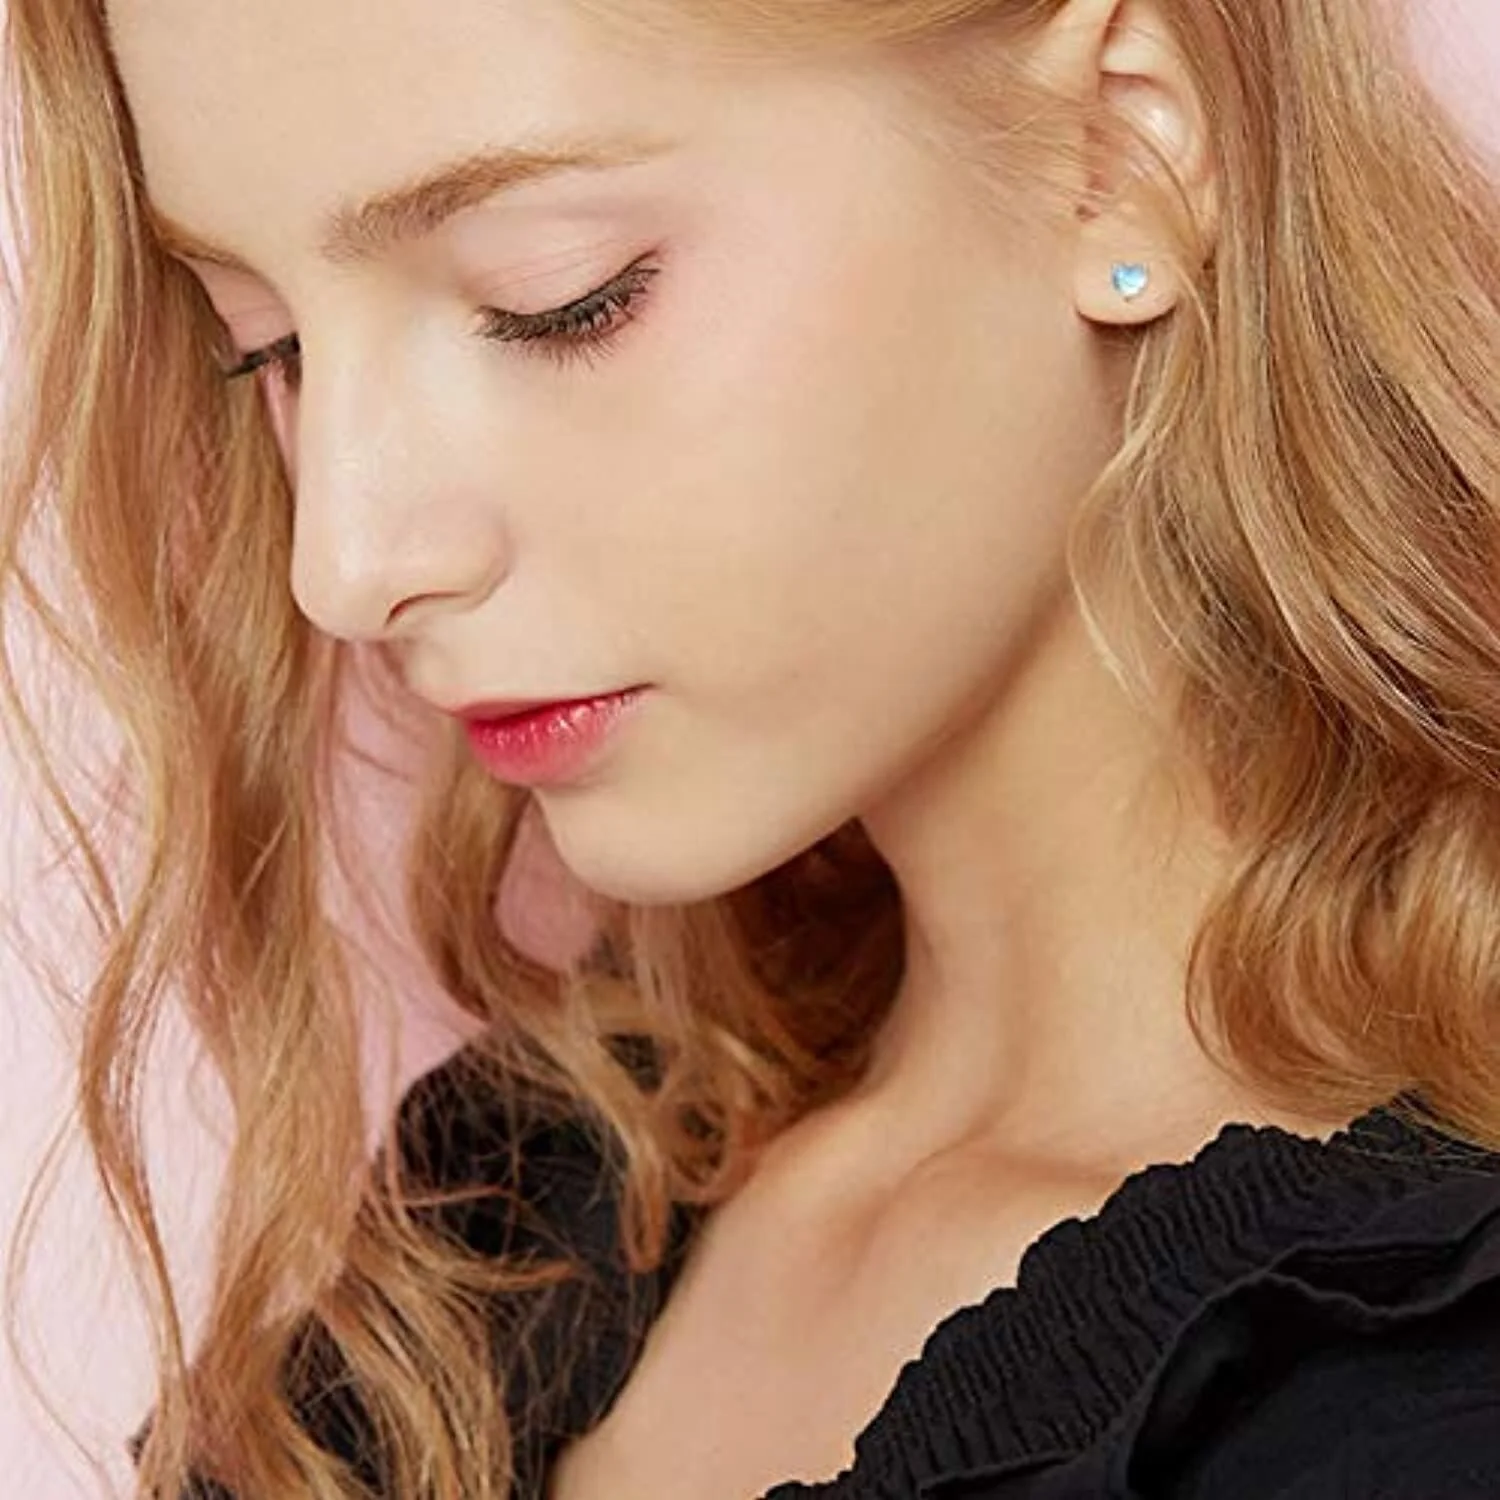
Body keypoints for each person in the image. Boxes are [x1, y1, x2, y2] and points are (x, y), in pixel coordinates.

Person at [3, 0, 1500, 1495]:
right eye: (266, 349)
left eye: (559, 299)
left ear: (1117, 158)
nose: (345, 563)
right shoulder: (509, 1220)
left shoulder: (1415, 1387)